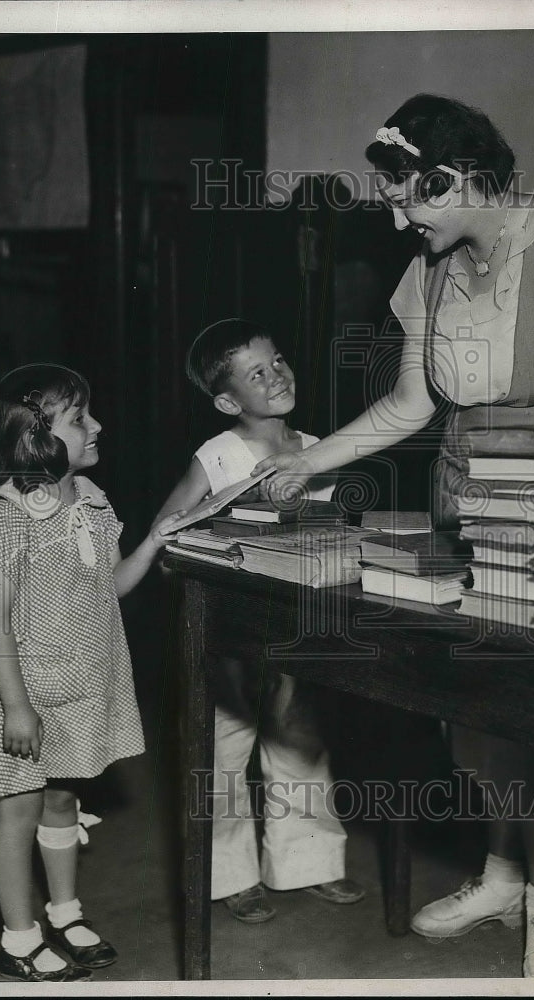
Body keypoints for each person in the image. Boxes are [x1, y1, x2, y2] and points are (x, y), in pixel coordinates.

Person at [251, 95, 534, 977]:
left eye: (407, 198)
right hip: (462, 493)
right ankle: (504, 872)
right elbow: (412, 404)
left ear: (455, 177)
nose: (396, 218)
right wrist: (308, 466)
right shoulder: (430, 269)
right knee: (468, 713)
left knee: (529, 713)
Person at [0, 364, 182, 982]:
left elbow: (110, 586)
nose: (97, 426)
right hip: (23, 690)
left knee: (64, 795)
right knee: (19, 810)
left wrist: (153, 542)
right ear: (38, 437)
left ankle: (65, 911)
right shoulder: (5, 524)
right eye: (80, 418)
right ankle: (19, 938)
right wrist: (16, 706)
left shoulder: (92, 500)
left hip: (82, 682)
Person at [157, 318, 365, 923]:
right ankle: (230, 875)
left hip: (299, 625)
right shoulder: (218, 455)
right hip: (227, 628)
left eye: (278, 361)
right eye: (257, 374)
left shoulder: (318, 446)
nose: (276, 377)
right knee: (224, 746)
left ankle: (309, 863)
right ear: (227, 401)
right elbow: (167, 535)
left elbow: (334, 533)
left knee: (297, 734)